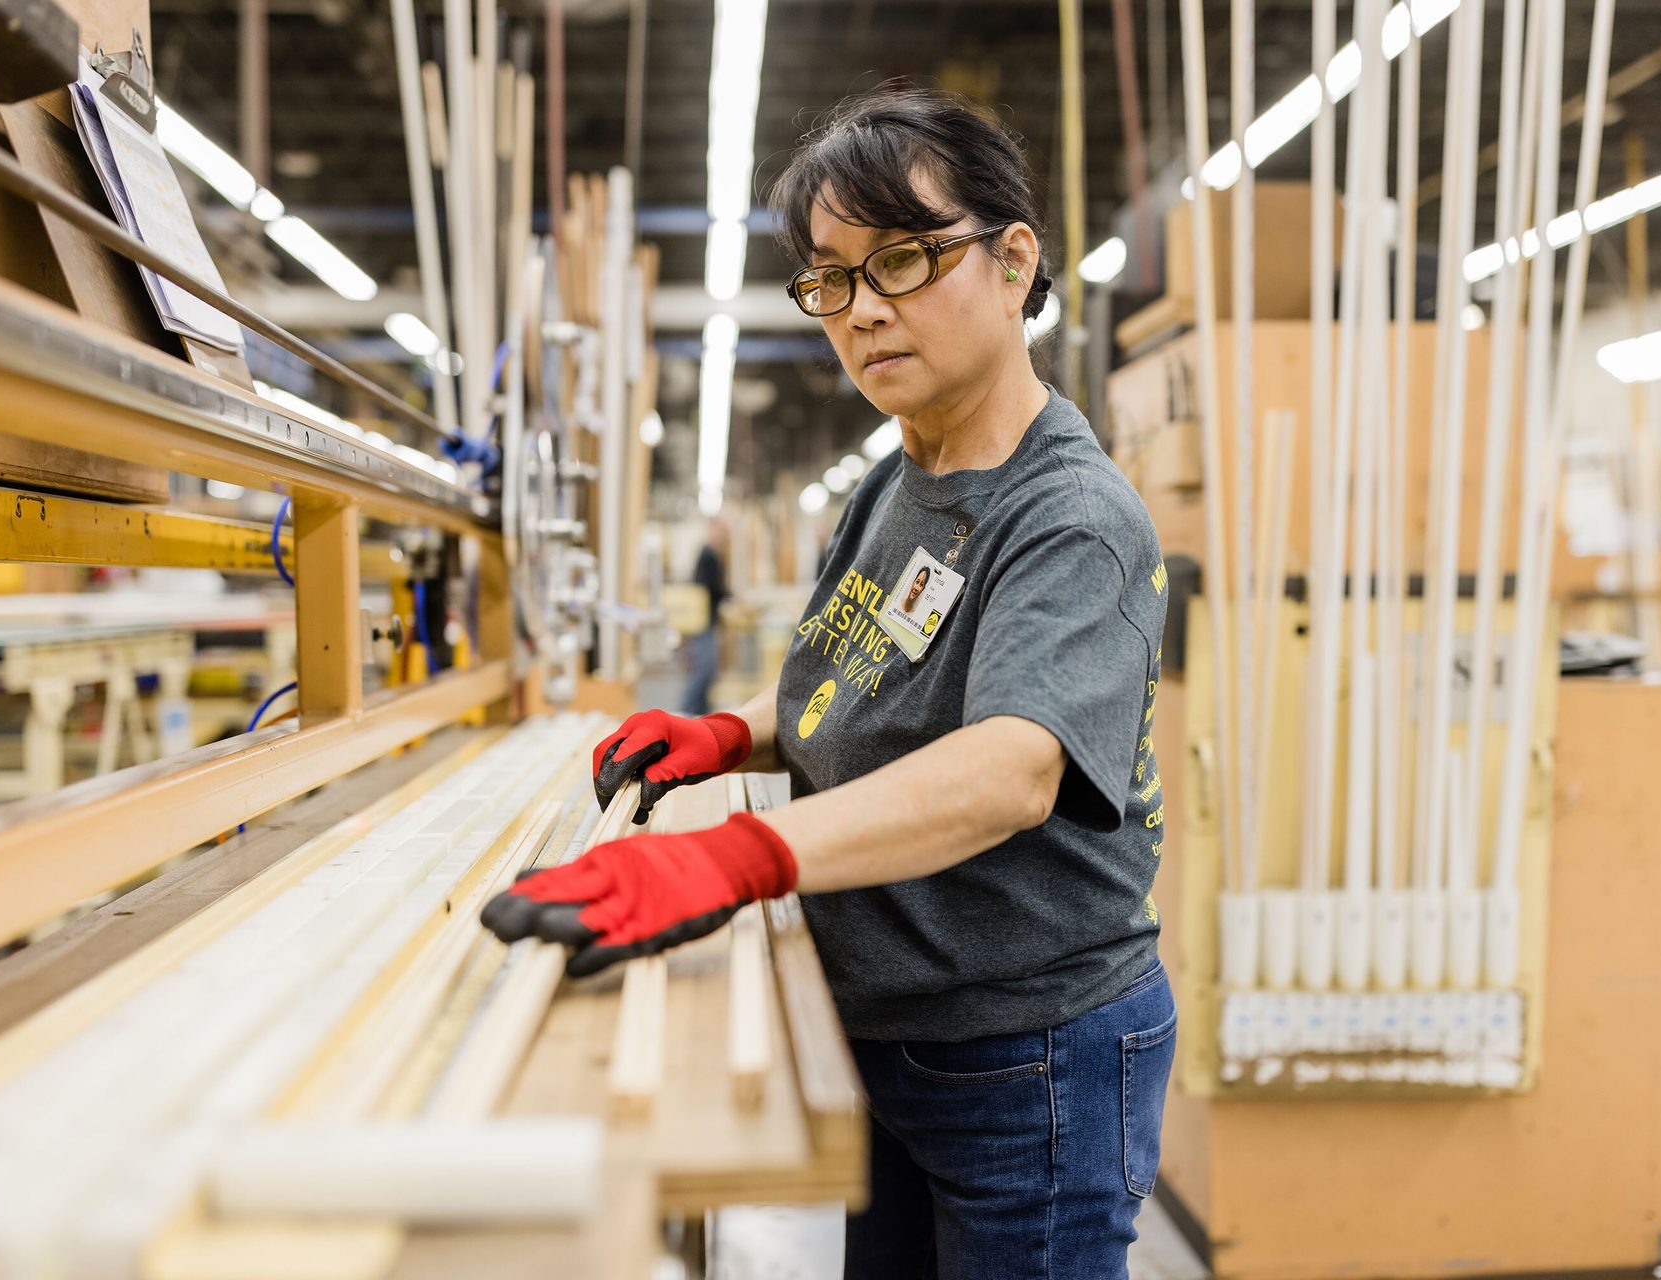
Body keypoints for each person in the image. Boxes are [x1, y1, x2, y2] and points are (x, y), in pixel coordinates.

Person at [483, 87, 1173, 1279]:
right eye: (832, 279)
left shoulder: (1072, 516)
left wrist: (736, 857)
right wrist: (724, 735)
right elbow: (848, 685)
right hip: (896, 1023)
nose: (862, 311)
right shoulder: (900, 475)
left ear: (1015, 261)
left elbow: (1009, 767)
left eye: (902, 259)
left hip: (1030, 1049)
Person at [683, 517, 730, 716]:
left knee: (708, 672)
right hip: (703, 621)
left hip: (706, 620)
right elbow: (709, 588)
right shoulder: (708, 554)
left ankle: (701, 714)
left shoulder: (710, 554)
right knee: (703, 671)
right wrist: (729, 595)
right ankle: (687, 711)